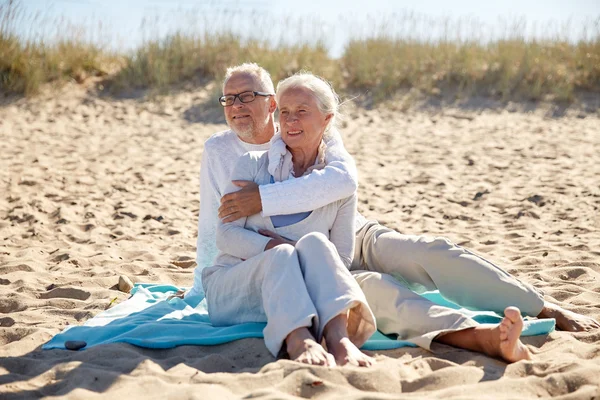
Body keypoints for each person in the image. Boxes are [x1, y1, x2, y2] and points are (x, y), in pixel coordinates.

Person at [200, 64, 599, 335]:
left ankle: (541, 307)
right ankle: (475, 333)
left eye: (246, 96)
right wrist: (205, 280)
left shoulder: (308, 128)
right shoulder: (222, 152)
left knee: (430, 251)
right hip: (289, 257)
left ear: (269, 102)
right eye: (228, 99)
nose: (236, 106)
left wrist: (263, 199)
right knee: (377, 289)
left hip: (350, 232)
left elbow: (341, 180)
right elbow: (218, 227)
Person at [201, 70, 377, 367]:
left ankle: (338, 338)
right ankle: (298, 338)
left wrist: (294, 250)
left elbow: (341, 259)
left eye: (302, 112)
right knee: (281, 252)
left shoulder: (336, 181)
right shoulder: (252, 164)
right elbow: (225, 236)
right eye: (285, 113)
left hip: (293, 287)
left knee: (317, 243)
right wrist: (275, 249)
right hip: (232, 285)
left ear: (327, 119)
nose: (291, 121)